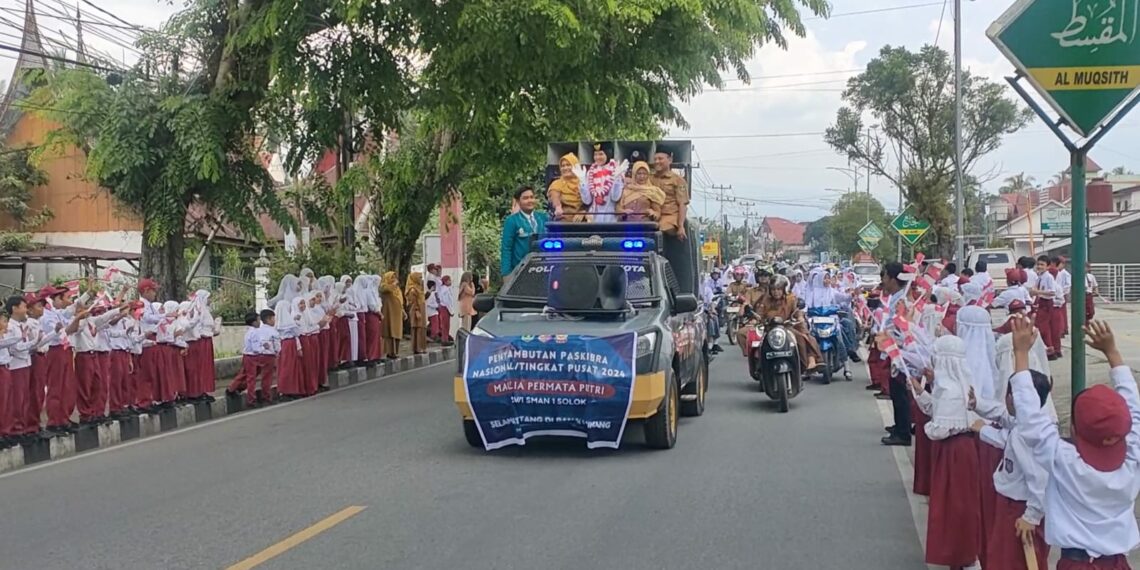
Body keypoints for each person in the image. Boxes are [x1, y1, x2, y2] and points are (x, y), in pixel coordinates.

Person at [1010, 317, 1140, 570]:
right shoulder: (1132, 455)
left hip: (1076, 563)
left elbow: (1029, 420)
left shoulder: (1066, 459)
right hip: (1117, 563)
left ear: (1073, 429)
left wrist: (1020, 353)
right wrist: (1112, 352)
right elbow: (1134, 409)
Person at [970, 362, 1052, 570]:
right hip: (1012, 504)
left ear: (1013, 398)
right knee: (1002, 556)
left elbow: (1040, 480)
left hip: (1019, 509)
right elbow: (1002, 415)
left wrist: (1031, 517)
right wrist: (978, 404)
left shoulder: (1028, 435)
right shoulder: (1030, 421)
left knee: (1012, 561)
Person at [910, 336, 982, 569]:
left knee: (956, 506)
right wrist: (920, 391)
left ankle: (963, 555)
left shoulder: (951, 390)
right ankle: (959, 555)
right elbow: (935, 409)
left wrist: (927, 428)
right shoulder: (956, 384)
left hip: (954, 452)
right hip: (958, 450)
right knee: (957, 505)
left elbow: (939, 428)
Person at [752, 275, 822, 371]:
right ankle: (760, 366)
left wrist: (800, 317)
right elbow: (759, 313)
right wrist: (755, 320)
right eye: (773, 289)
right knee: (756, 343)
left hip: (787, 327)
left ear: (784, 289)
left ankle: (805, 365)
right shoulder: (765, 300)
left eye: (779, 289)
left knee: (801, 338)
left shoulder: (791, 298)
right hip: (769, 329)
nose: (776, 292)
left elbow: (797, 311)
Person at [878, 262, 913, 447]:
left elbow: (902, 327)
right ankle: (899, 426)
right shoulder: (895, 297)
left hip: (900, 350)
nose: (883, 281)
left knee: (900, 392)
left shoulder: (902, 301)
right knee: (895, 390)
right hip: (893, 349)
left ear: (893, 279)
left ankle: (903, 432)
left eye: (885, 277)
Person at [500, 185, 548, 277]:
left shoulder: (543, 218)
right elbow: (506, 248)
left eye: (532, 197)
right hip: (520, 272)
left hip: (543, 269)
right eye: (525, 198)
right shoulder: (512, 221)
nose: (530, 200)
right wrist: (506, 274)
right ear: (518, 201)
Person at [571, 144, 625, 222]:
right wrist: (582, 181)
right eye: (595, 154)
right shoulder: (591, 172)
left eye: (601, 154)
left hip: (611, 217)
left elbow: (615, 197)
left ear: (608, 154)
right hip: (593, 218)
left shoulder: (616, 170)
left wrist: (617, 179)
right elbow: (587, 200)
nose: (597, 157)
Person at [649, 150, 689, 239]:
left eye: (660, 159)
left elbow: (682, 204)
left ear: (670, 160)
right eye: (655, 159)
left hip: (669, 217)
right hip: (651, 215)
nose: (657, 162)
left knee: (659, 229)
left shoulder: (678, 180)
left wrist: (681, 226)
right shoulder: (649, 178)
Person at [1030, 255, 1061, 359]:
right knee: (1041, 327)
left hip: (1046, 304)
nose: (1039, 266)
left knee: (1043, 328)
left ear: (1048, 266)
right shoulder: (1039, 277)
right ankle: (1047, 349)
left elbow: (1052, 292)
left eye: (1042, 265)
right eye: (1038, 264)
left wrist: (1038, 292)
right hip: (1040, 302)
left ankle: (1050, 350)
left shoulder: (1048, 277)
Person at [274, 300, 302, 401]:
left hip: (283, 344)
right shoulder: (289, 322)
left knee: (286, 367)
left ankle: (287, 390)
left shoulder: (278, 322)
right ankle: (288, 390)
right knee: (289, 368)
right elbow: (297, 332)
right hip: (289, 344)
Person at [548, 152, 587, 222]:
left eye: (568, 165)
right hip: (563, 221)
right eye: (562, 166)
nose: (565, 168)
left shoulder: (583, 182)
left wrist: (583, 211)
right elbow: (555, 197)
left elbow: (589, 201)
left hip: (583, 222)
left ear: (575, 166)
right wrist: (558, 207)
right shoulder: (557, 184)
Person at [380, 271, 404, 358]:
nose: (394, 279)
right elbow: (386, 289)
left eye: (395, 277)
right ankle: (389, 352)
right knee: (389, 332)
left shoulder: (397, 289)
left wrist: (403, 311)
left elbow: (400, 300)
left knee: (396, 333)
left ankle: (394, 352)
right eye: (392, 277)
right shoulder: (384, 286)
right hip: (389, 313)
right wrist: (393, 284)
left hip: (397, 314)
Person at [406, 272, 428, 354]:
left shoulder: (419, 288)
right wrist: (417, 310)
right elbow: (412, 302)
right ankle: (417, 348)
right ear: (415, 278)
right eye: (419, 277)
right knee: (417, 328)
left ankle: (421, 347)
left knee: (422, 328)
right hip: (416, 311)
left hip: (421, 310)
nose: (421, 279)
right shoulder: (412, 290)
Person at [436, 275, 456, 345]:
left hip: (446, 307)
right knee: (445, 324)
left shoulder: (445, 289)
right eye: (449, 280)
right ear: (445, 281)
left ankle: (446, 338)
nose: (450, 282)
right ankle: (444, 339)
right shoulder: (445, 290)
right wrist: (451, 310)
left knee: (446, 324)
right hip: (445, 307)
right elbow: (447, 301)